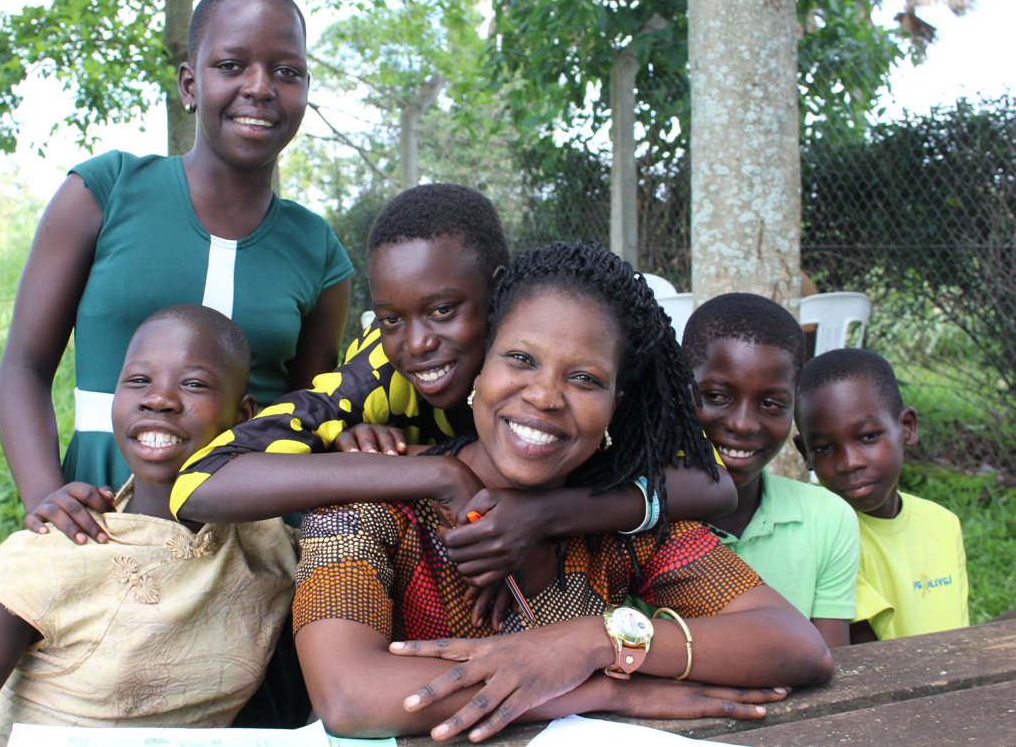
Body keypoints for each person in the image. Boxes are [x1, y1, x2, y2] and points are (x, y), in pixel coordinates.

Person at [290, 242, 833, 742]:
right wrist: (604, 689)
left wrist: (592, 642)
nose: (546, 396)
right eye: (521, 359)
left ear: (615, 407)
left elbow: (795, 644)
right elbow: (349, 695)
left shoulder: (618, 520)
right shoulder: (370, 503)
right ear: (481, 365)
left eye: (585, 379)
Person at [155, 186, 736, 629]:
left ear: (500, 292)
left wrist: (543, 515)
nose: (416, 342)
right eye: (390, 319)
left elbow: (713, 487)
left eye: (442, 310)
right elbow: (200, 483)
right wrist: (436, 474)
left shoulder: (565, 365)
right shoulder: (380, 377)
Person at [0, 0, 353, 513]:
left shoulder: (317, 250)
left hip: (252, 540)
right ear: (189, 85)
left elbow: (309, 417)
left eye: (287, 71)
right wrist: (45, 501)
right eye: (231, 65)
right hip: (99, 513)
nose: (260, 87)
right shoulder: (105, 191)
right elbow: (23, 368)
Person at [0, 306, 297, 746]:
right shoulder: (56, 551)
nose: (158, 399)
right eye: (138, 381)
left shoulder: (269, 547)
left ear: (243, 414)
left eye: (193, 384)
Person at [679, 293, 860, 649]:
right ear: (680, 390)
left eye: (770, 403)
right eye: (717, 395)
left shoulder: (826, 519)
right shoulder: (638, 515)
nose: (744, 424)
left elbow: (833, 665)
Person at [793, 347, 969, 643]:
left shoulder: (943, 522)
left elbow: (961, 643)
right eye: (824, 448)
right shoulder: (817, 528)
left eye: (868, 437)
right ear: (805, 453)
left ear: (907, 428)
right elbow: (869, 661)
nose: (850, 462)